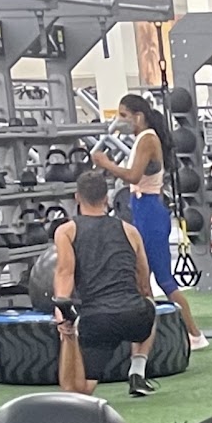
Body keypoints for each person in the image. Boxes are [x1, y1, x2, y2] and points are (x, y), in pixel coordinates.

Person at [91, 93, 208, 351]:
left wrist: (106, 164)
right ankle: (147, 335)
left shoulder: (147, 139)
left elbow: (133, 176)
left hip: (150, 211)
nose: (119, 120)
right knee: (141, 279)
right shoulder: (142, 139)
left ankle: (195, 334)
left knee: (163, 278)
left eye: (123, 115)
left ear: (138, 116)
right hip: (143, 208)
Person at [53, 168, 158, 399]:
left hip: (98, 321)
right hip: (135, 316)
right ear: (106, 198)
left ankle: (72, 338)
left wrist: (62, 315)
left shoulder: (66, 231)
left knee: (79, 392)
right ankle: (137, 371)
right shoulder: (130, 231)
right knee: (150, 305)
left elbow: (64, 273)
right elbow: (143, 284)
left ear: (77, 198)